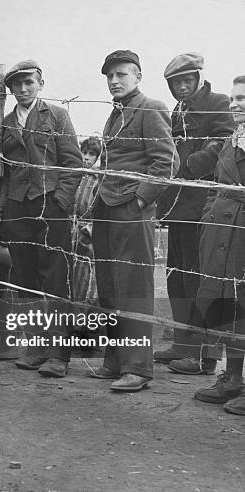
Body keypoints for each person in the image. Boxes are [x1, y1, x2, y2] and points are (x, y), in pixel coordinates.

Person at [90, 50, 178, 391]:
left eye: (122, 74)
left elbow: (167, 164)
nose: (114, 81)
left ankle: (138, 368)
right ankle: (115, 360)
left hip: (131, 209)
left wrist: (140, 199)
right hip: (106, 209)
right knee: (109, 285)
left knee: (135, 288)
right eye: (110, 76)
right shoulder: (116, 114)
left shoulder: (151, 107)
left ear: (138, 77)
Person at [0, 60, 83, 377]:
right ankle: (36, 347)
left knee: (55, 278)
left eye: (28, 83)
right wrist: (6, 208)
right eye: (16, 85)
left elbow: (72, 162)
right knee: (26, 278)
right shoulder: (5, 123)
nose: (22, 89)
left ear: (40, 84)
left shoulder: (57, 115)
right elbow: (3, 172)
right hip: (17, 209)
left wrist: (61, 200)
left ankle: (58, 355)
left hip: (51, 207)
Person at [153, 53, 234, 375]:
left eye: (188, 80)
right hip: (179, 205)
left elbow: (224, 144)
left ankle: (206, 357)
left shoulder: (218, 102)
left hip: (204, 204)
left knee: (204, 280)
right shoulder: (178, 109)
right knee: (178, 277)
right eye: (176, 83)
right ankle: (184, 345)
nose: (182, 87)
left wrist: (187, 165)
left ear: (199, 78)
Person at [192, 75, 245, 415]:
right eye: (233, 99)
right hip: (222, 233)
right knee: (231, 307)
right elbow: (216, 185)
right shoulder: (232, 140)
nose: (235, 104)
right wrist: (209, 215)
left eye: (243, 98)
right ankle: (233, 379)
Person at [72, 137, 102, 305]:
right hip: (73, 229)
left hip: (89, 231)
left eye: (91, 154)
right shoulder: (76, 175)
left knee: (89, 274)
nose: (86, 158)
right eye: (84, 153)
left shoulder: (98, 178)